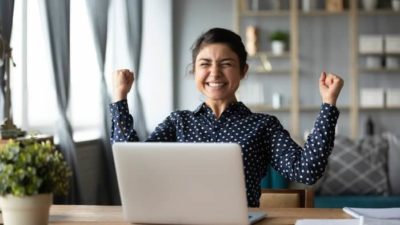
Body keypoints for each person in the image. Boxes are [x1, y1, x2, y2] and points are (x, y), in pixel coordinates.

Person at [110, 27, 344, 207]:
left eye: (226, 64)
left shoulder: (263, 125)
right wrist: (120, 98)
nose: (214, 72)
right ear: (194, 71)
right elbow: (134, 165)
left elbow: (307, 171)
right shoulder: (177, 122)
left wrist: (328, 105)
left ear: (243, 71)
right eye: (205, 64)